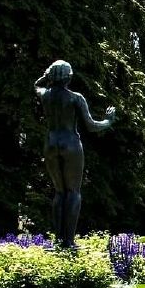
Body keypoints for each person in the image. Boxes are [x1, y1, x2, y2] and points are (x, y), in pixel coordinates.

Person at [35, 60, 116, 248]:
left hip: (51, 143)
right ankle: (69, 241)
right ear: (69, 76)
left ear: (51, 76)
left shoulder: (45, 95)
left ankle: (58, 240)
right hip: (70, 144)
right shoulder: (75, 98)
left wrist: (47, 75)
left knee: (59, 192)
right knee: (73, 192)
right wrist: (108, 121)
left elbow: (36, 85)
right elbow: (92, 126)